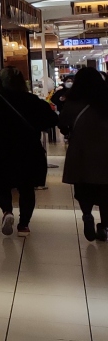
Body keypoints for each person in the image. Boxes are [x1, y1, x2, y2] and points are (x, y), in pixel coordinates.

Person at [0, 67, 58, 237]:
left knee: (2, 185)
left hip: (0, 150)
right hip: (28, 150)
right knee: (27, 188)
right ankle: (24, 225)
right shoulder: (31, 100)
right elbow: (52, 119)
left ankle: (7, 211)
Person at [59, 66, 108, 241]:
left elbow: (62, 124)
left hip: (80, 150)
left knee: (82, 186)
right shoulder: (105, 101)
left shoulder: (73, 102)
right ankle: (104, 226)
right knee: (105, 190)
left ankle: (87, 215)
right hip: (105, 151)